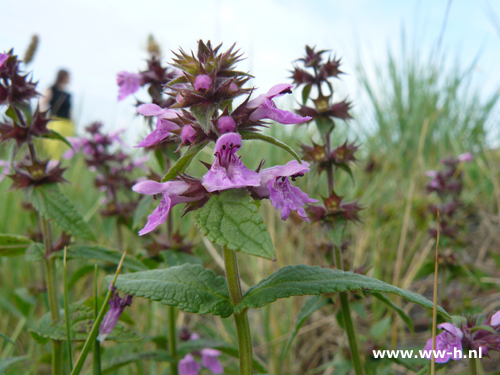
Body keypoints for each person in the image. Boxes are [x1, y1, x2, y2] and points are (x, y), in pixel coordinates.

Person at [40, 69, 74, 158]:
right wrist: (42, 119)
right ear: (63, 77)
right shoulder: (51, 89)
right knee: (53, 147)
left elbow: (70, 111)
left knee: (64, 148)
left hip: (67, 124)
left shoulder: (68, 94)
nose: (70, 79)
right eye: (68, 76)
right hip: (55, 123)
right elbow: (42, 104)